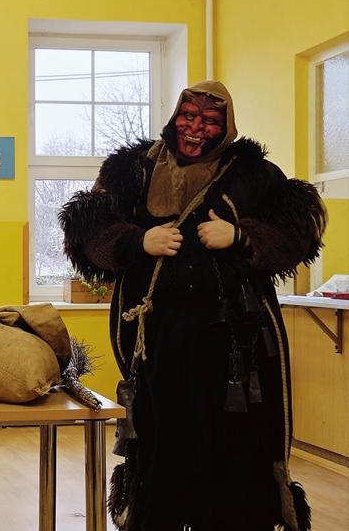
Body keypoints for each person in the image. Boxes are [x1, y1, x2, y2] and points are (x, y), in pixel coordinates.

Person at [60, 80, 325, 531]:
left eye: (210, 121)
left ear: (227, 127)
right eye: (189, 116)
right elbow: (89, 228)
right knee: (159, 442)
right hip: (156, 341)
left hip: (236, 344)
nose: (196, 128)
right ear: (174, 117)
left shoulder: (255, 175)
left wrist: (241, 236)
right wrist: (137, 241)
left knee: (235, 447)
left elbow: (298, 232)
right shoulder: (131, 170)